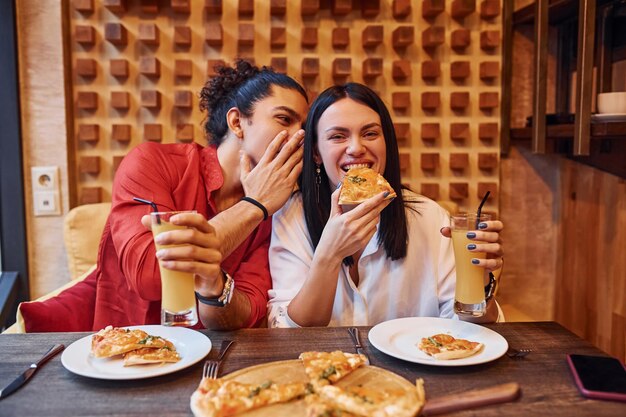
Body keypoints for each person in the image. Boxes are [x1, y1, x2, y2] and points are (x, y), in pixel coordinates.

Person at [20, 60, 309, 332]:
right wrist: (253, 206)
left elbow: (245, 313)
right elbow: (151, 276)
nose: (300, 137)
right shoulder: (153, 164)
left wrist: (215, 289)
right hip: (125, 351)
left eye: (305, 128)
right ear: (236, 122)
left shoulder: (281, 208)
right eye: (284, 119)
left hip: (213, 359)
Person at [268, 83, 504, 328]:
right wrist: (329, 254)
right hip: (324, 364)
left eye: (370, 134)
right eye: (338, 136)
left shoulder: (430, 218)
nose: (356, 148)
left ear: (386, 143)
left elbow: (464, 328)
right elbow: (288, 331)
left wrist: (481, 284)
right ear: (316, 152)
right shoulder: (292, 216)